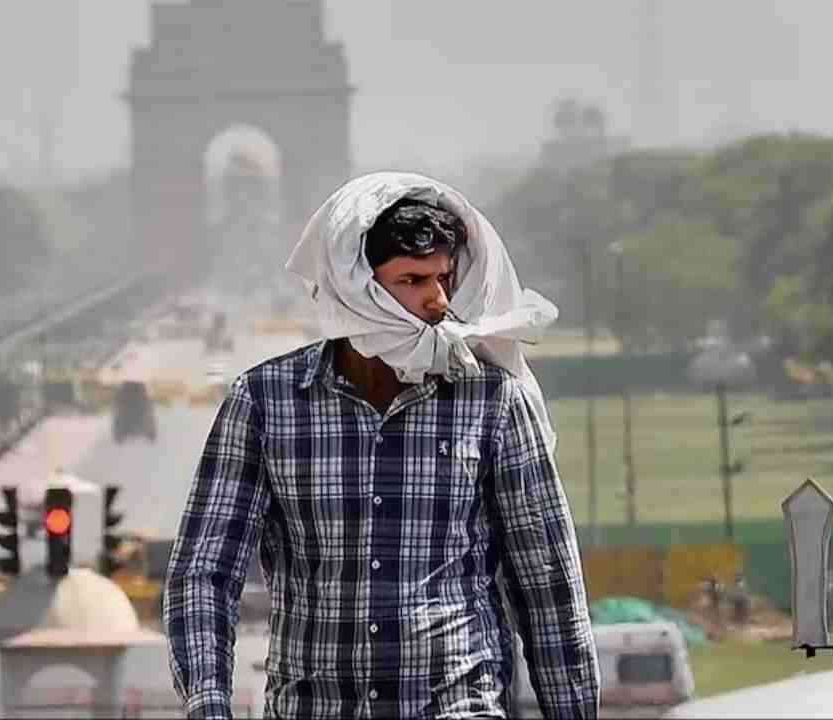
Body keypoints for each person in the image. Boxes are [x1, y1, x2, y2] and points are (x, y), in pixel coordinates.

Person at [164, 172, 600, 719]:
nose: (438, 301)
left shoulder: (493, 402)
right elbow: (205, 572)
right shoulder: (266, 403)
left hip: (458, 703)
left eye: (444, 278)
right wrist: (209, 704)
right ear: (357, 287)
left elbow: (546, 583)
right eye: (412, 280)